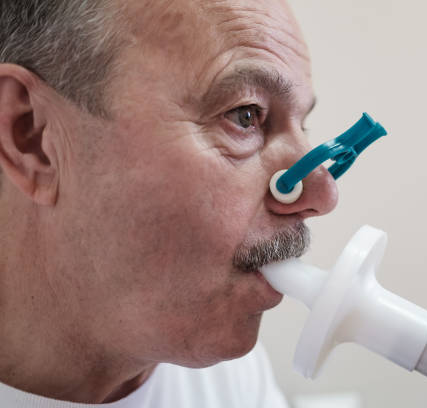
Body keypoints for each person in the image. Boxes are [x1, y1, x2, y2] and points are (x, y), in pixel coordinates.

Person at [0, 0, 338, 406]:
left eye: (301, 125)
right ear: (32, 136)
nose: (322, 195)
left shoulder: (228, 381)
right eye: (246, 116)